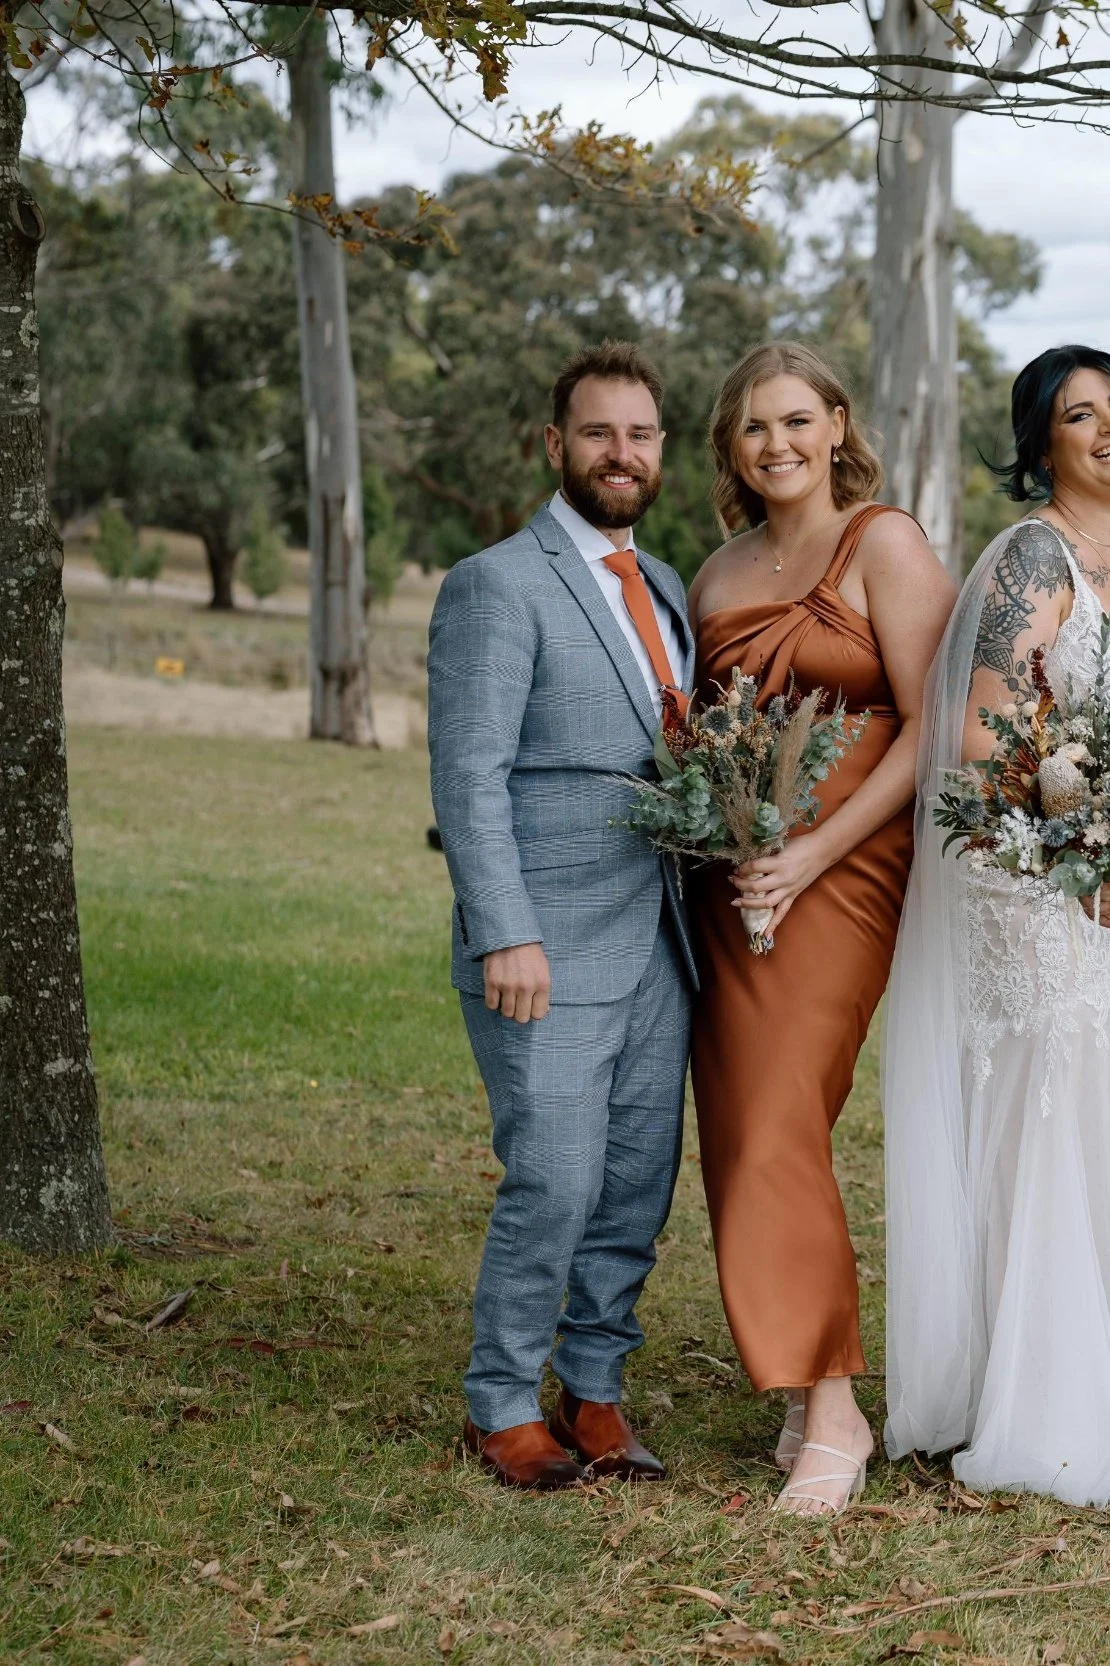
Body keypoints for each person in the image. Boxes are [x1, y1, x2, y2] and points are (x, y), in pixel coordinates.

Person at [880, 345, 1110, 1506]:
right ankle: (1054, 1403)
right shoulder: (1034, 558)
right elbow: (980, 743)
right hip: (1035, 890)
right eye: (1079, 413)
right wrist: (1085, 826)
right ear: (1040, 448)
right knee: (1062, 1114)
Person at [685, 341, 954, 1516]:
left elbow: (931, 725)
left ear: (838, 424)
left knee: (782, 1111)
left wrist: (813, 852)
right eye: (753, 427)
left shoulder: (883, 543)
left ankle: (837, 1408)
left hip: (848, 870)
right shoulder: (713, 573)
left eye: (797, 420)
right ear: (732, 447)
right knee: (744, 1125)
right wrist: (740, 839)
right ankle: (801, 1380)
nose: (777, 444)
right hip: (735, 877)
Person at [429, 341, 697, 1490]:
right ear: (556, 446)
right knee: (557, 1176)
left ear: (660, 450)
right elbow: (469, 772)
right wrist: (505, 928)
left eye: (638, 435)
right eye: (598, 433)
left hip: (662, 942)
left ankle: (593, 1387)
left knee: (637, 1178)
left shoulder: (670, 584)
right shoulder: (497, 582)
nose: (619, 454)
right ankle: (500, 1401)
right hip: (544, 938)